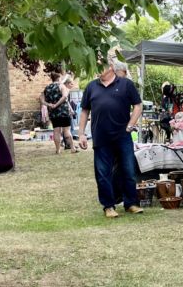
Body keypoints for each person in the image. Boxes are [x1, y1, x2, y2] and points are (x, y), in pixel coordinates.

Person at [78, 61, 145, 218]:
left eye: (99, 67)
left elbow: (138, 106)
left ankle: (131, 204)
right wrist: (81, 134)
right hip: (101, 137)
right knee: (103, 173)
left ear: (111, 68)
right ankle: (108, 206)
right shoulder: (91, 86)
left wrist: (130, 125)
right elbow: (84, 111)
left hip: (122, 136)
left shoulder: (126, 84)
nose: (96, 70)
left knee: (128, 171)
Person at [41, 72, 76, 154]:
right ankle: (72, 148)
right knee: (66, 130)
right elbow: (64, 96)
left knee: (56, 131)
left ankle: (58, 150)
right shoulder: (61, 86)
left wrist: (49, 104)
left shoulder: (47, 88)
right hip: (63, 111)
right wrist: (57, 104)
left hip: (53, 113)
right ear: (58, 78)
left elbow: (41, 100)